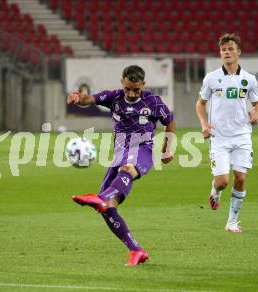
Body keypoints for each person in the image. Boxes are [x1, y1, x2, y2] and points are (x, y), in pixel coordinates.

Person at [67, 65, 175, 266]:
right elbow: (88, 99)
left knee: (127, 170)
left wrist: (167, 149)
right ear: (122, 83)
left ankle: (100, 197)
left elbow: (170, 121)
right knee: (107, 209)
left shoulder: (153, 101)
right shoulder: (114, 97)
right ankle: (136, 250)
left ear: (143, 84)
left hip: (142, 149)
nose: (132, 94)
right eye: (128, 89)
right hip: (120, 154)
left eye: (136, 89)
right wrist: (77, 97)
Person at [196, 33, 258, 233]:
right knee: (223, 182)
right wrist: (204, 124)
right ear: (220, 53)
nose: (227, 52)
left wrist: (256, 114)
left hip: (242, 136)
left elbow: (256, 104)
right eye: (223, 49)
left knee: (240, 178)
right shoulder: (212, 78)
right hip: (219, 137)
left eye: (230, 48)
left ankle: (232, 221)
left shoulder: (249, 79)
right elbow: (200, 103)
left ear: (238, 52)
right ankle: (215, 191)